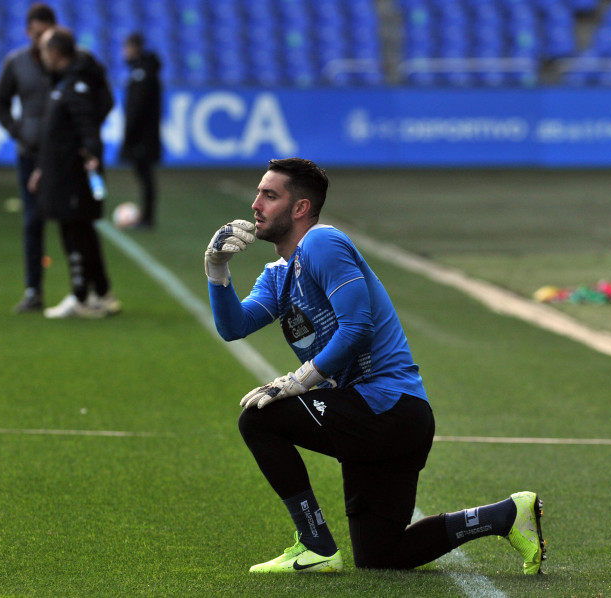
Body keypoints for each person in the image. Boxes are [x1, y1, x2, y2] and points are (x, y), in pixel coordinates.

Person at [205, 158, 547, 574]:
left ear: (300, 208)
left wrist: (299, 381)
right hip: (382, 419)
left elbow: (358, 329)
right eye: (258, 192)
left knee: (258, 419)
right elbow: (233, 326)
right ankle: (504, 515)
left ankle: (314, 544)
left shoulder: (320, 243)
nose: (256, 203)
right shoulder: (278, 274)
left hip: (388, 408)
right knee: (381, 557)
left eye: (269, 195)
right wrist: (217, 269)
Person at [27, 27, 120, 319]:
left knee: (75, 231)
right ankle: (101, 292)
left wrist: (91, 154)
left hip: (73, 173)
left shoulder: (76, 84)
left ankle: (81, 297)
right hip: (61, 171)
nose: (41, 56)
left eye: (43, 50)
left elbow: (86, 124)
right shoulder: (65, 82)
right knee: (81, 230)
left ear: (55, 52)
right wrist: (43, 167)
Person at [0, 3, 58, 313]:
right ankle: (34, 290)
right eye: (36, 33)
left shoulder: (68, 61)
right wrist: (17, 130)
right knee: (33, 222)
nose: (41, 38)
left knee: (73, 222)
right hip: (29, 154)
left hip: (63, 156)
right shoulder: (16, 63)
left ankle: (84, 293)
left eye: (47, 33)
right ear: (27, 32)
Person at [119, 32, 162, 229]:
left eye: (126, 48)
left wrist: (129, 138)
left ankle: (147, 217)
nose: (124, 53)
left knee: (145, 176)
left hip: (142, 137)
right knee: (144, 175)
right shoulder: (145, 71)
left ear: (134, 48)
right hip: (146, 135)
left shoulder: (142, 73)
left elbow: (137, 109)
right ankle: (146, 215)